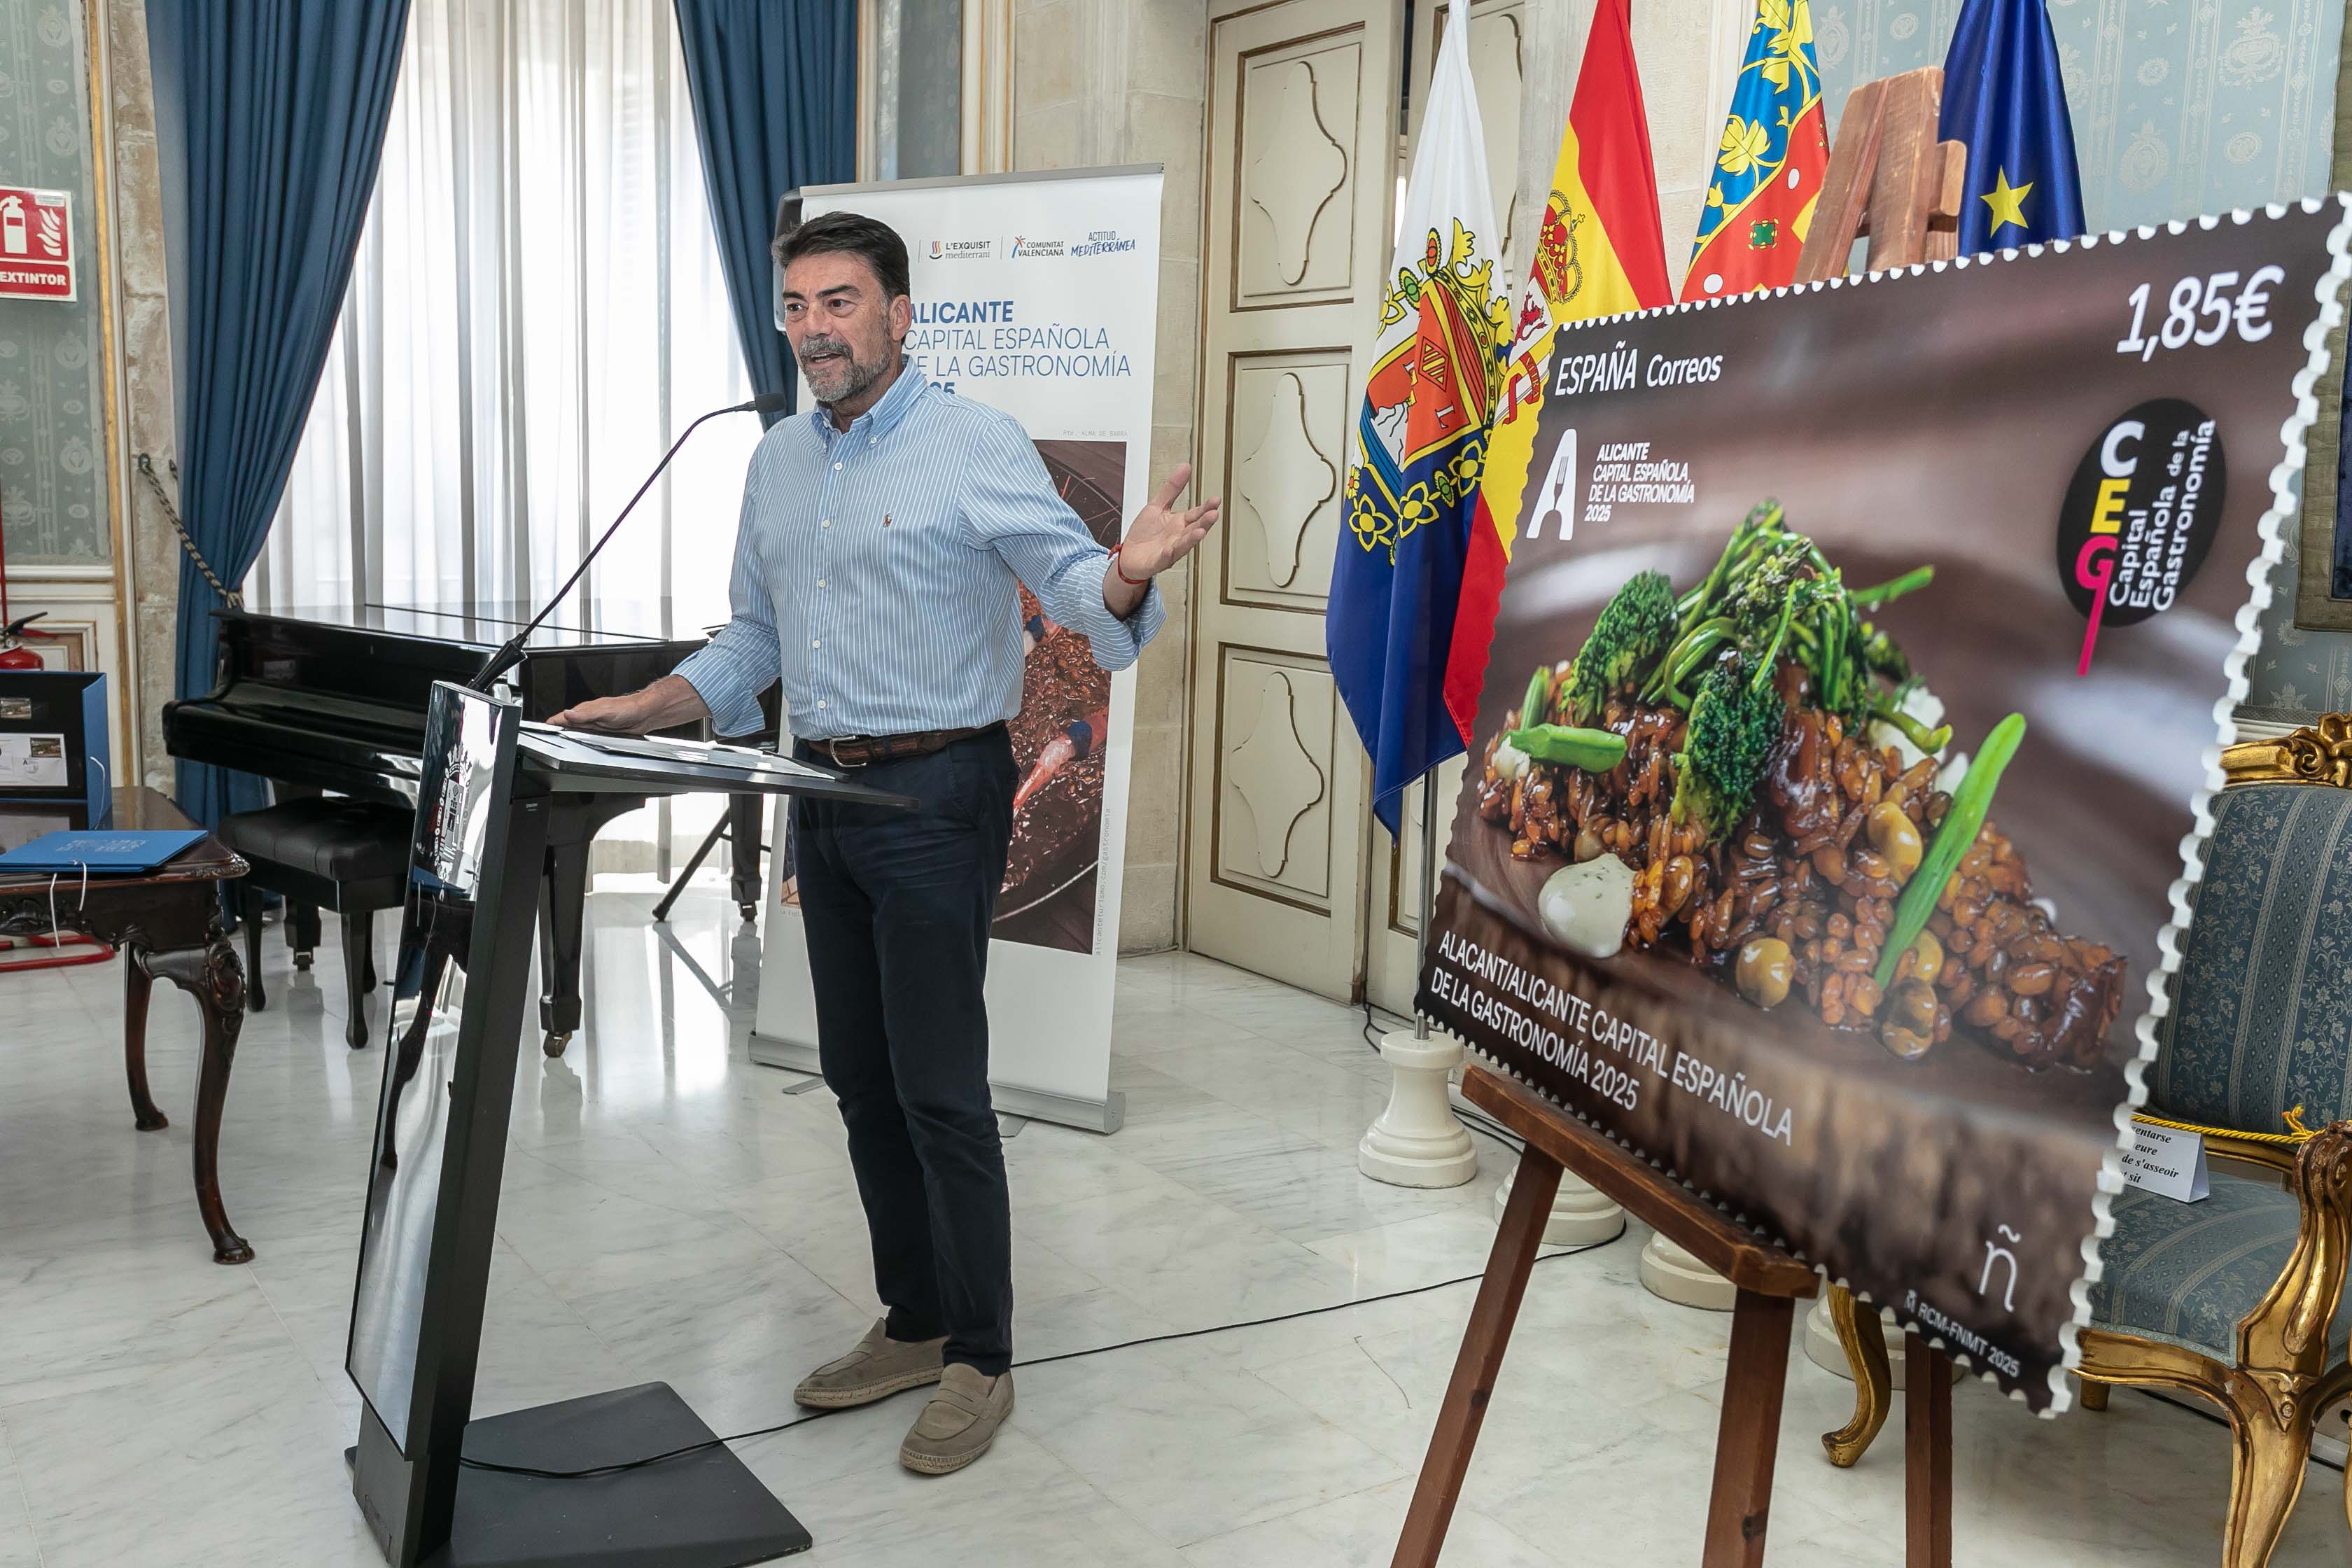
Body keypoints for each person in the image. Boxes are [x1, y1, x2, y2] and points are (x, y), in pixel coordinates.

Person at [547, 209, 1218, 1476]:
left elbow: (1078, 587)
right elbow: (756, 639)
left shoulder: (972, 444)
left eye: (840, 302)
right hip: (824, 793)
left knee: (940, 1088)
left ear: (901, 315)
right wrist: (649, 703)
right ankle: (912, 1320)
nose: (815, 330)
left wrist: (1127, 573)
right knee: (856, 1077)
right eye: (798, 306)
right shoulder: (776, 464)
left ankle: (982, 1355)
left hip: (937, 796)